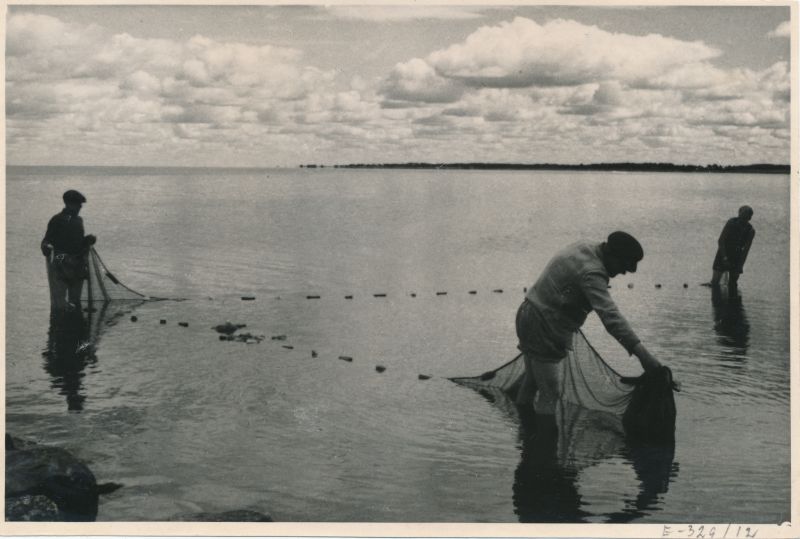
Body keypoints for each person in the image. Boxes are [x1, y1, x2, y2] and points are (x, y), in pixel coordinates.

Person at [515, 231, 662, 414]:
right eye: (623, 265)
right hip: (543, 326)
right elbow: (611, 318)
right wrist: (644, 356)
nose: (623, 272)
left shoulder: (586, 246)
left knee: (532, 381)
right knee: (551, 393)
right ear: (610, 254)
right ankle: (546, 441)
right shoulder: (592, 272)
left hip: (528, 312)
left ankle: (524, 435)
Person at [41, 190, 96, 311]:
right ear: (68, 204)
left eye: (80, 204)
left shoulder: (78, 220)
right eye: (78, 204)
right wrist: (46, 247)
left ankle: (74, 325)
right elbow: (46, 240)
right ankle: (59, 326)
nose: (80, 206)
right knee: (59, 303)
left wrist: (88, 239)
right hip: (60, 266)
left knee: (75, 301)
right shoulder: (57, 220)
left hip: (77, 265)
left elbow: (78, 242)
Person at [710, 205, 755, 290]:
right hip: (724, 252)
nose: (743, 219)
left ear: (750, 218)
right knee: (715, 283)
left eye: (746, 217)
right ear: (739, 214)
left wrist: (741, 265)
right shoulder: (731, 223)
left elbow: (746, 251)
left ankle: (734, 301)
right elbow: (721, 241)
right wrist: (724, 258)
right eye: (742, 216)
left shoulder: (751, 231)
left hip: (737, 256)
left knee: (733, 284)